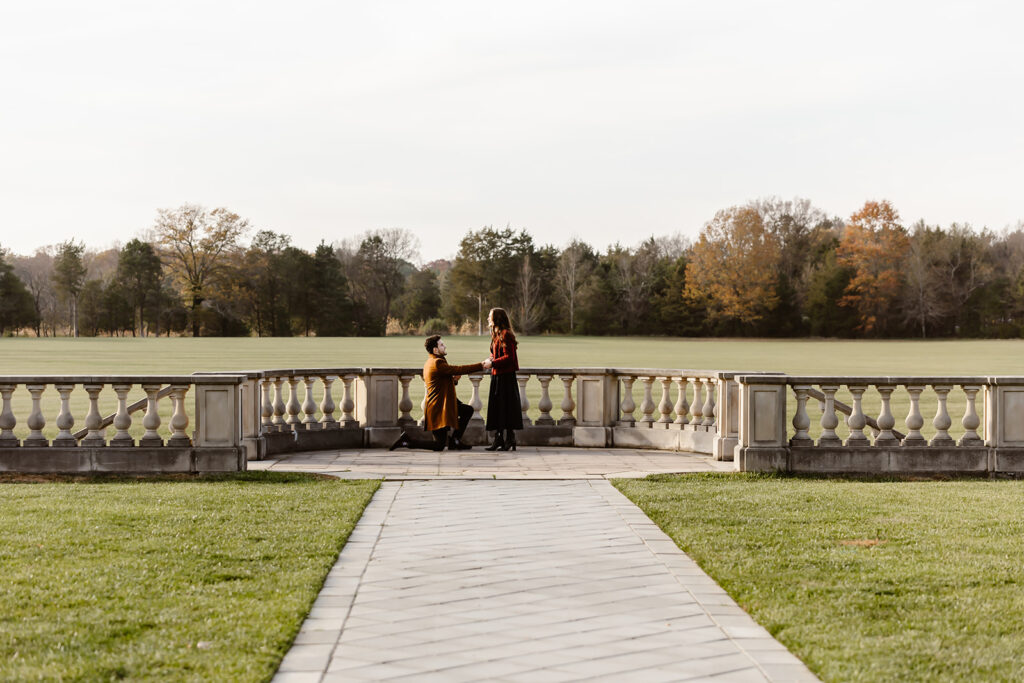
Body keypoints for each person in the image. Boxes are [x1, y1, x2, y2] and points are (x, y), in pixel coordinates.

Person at [390, 335, 492, 451]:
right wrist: (482, 365)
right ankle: (407, 441)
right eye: (442, 345)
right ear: (435, 350)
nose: (445, 346)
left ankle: (455, 440)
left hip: (444, 404)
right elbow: (458, 369)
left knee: (467, 410)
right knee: (439, 445)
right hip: (438, 409)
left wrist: (453, 380)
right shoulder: (437, 363)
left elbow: (441, 382)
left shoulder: (431, 361)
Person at [484, 307, 523, 451]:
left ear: (497, 318)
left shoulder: (506, 334)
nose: (488, 318)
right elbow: (498, 354)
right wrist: (490, 359)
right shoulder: (495, 334)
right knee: (497, 409)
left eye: (490, 316)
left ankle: (509, 439)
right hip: (497, 376)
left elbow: (510, 358)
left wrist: (493, 363)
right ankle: (499, 439)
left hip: (505, 377)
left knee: (506, 408)